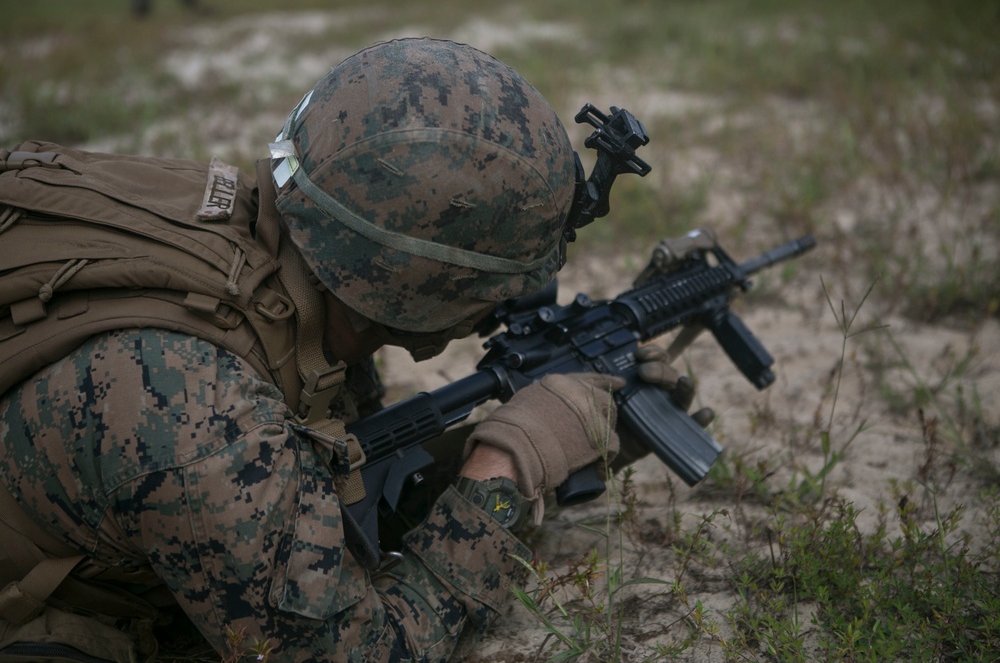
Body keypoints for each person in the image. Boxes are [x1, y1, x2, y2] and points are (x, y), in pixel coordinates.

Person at [0, 38, 694, 662]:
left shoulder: (261, 236)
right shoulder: (210, 422)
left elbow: (326, 479)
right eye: (502, 286)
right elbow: (365, 649)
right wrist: (507, 469)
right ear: (426, 294)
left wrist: (538, 435)